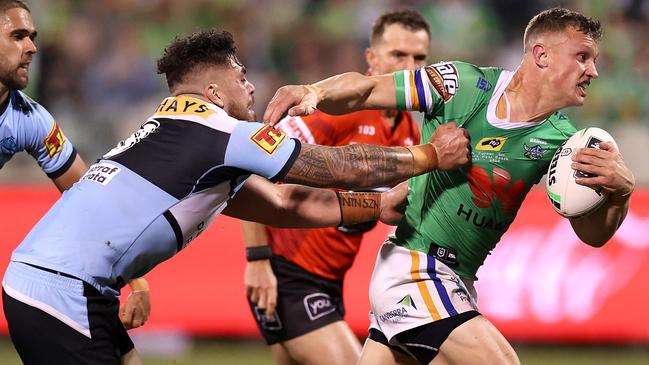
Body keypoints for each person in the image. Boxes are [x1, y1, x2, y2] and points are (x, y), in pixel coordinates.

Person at [1, 29, 470, 365]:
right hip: (58, 291)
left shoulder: (179, 137)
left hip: (70, 286)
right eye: (239, 75)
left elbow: (286, 205)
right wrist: (428, 155)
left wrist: (377, 205)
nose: (249, 84)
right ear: (212, 91)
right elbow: (330, 166)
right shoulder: (220, 130)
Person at [264, 7, 635, 365]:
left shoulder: (563, 141)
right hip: (416, 268)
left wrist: (619, 194)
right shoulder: (463, 85)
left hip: (455, 280)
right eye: (583, 57)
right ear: (541, 55)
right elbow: (366, 90)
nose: (593, 71)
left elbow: (593, 236)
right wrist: (315, 92)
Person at [242, 9, 429, 365]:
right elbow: (257, 168)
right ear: (371, 59)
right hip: (288, 273)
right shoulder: (335, 109)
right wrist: (257, 259)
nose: (410, 66)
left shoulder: (409, 130)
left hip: (329, 280)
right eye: (398, 55)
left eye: (419, 57)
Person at [0, 0, 150, 343]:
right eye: (18, 36)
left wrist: (136, 278)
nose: (32, 47)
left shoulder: (31, 121)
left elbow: (87, 199)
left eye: (33, 36)